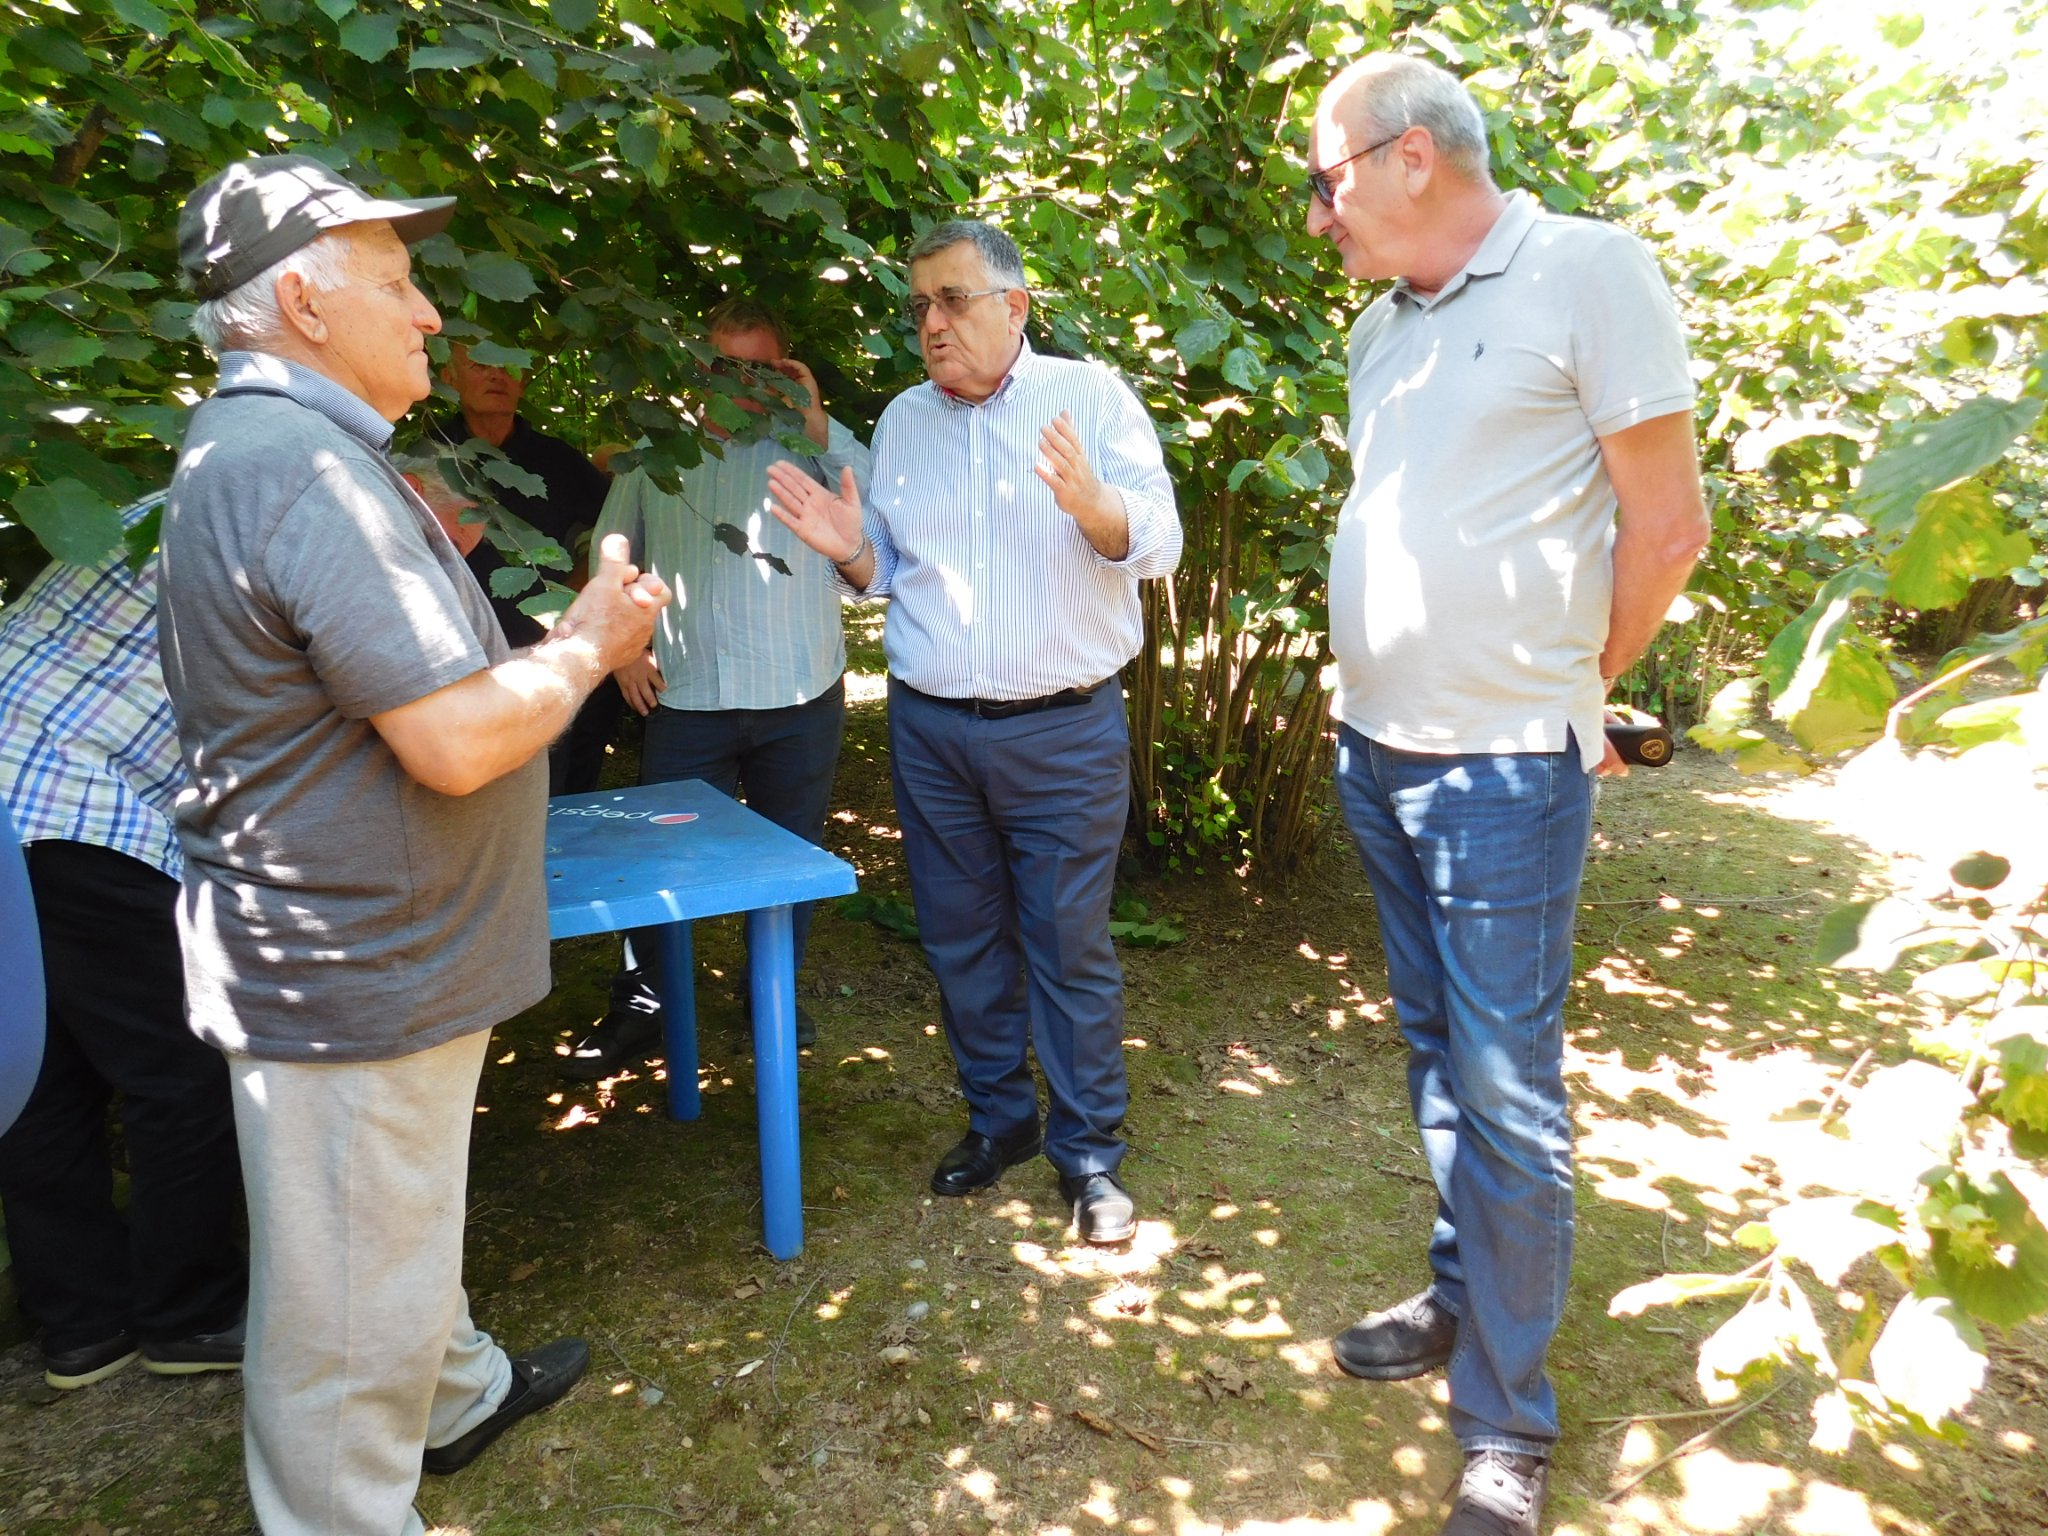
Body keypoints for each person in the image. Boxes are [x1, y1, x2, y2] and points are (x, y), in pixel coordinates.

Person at [161, 153, 667, 1536]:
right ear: (305, 305)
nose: (431, 314)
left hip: (366, 955)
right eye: (396, 284)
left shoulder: (280, 452)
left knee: (384, 1237)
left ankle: (455, 1395)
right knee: (343, 1315)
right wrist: (586, 645)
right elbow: (450, 741)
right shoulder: (298, 469)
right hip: (353, 972)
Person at [1302, 56, 1709, 1536]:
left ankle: (1506, 1429)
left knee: (1506, 1088)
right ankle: (1461, 1295)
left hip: (1503, 766)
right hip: (1375, 748)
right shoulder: (1379, 331)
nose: (1318, 215)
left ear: (1408, 156)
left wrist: (1575, 692)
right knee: (1436, 1059)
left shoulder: (1590, 271)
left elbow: (1667, 528)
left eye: (1325, 181)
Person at [767, 220, 1182, 1246]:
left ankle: (1088, 1154)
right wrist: (850, 551)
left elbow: (1158, 543)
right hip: (933, 731)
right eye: (919, 306)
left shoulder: (1089, 400)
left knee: (1067, 946)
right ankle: (999, 1120)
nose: (932, 324)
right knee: (959, 939)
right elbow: (890, 569)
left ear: (1014, 306)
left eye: (952, 300)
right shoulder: (903, 421)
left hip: (1063, 731)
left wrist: (1094, 508)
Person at [563, 297, 872, 1077]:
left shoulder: (809, 451)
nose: (742, 382)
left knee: (790, 861)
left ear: (786, 371)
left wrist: (815, 418)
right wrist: (621, 654)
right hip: (687, 699)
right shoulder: (654, 452)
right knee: (655, 859)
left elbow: (878, 508)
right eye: (726, 365)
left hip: (799, 695)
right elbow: (611, 556)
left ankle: (771, 992)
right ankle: (645, 1003)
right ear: (700, 369)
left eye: (761, 368)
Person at [0, 492, 247, 1392]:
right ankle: (190, 1313)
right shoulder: (268, 519)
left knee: (43, 1075)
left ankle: (81, 1323)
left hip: (11, 790)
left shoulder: (172, 503)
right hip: (75, 808)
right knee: (180, 1069)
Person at [434, 343, 622, 795]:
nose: (496, 375)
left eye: (508, 366)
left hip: (545, 655)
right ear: (449, 377)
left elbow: (614, 531)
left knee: (556, 797)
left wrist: (574, 595)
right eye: (479, 364)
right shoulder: (427, 455)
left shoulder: (557, 461)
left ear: (523, 380)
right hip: (453, 657)